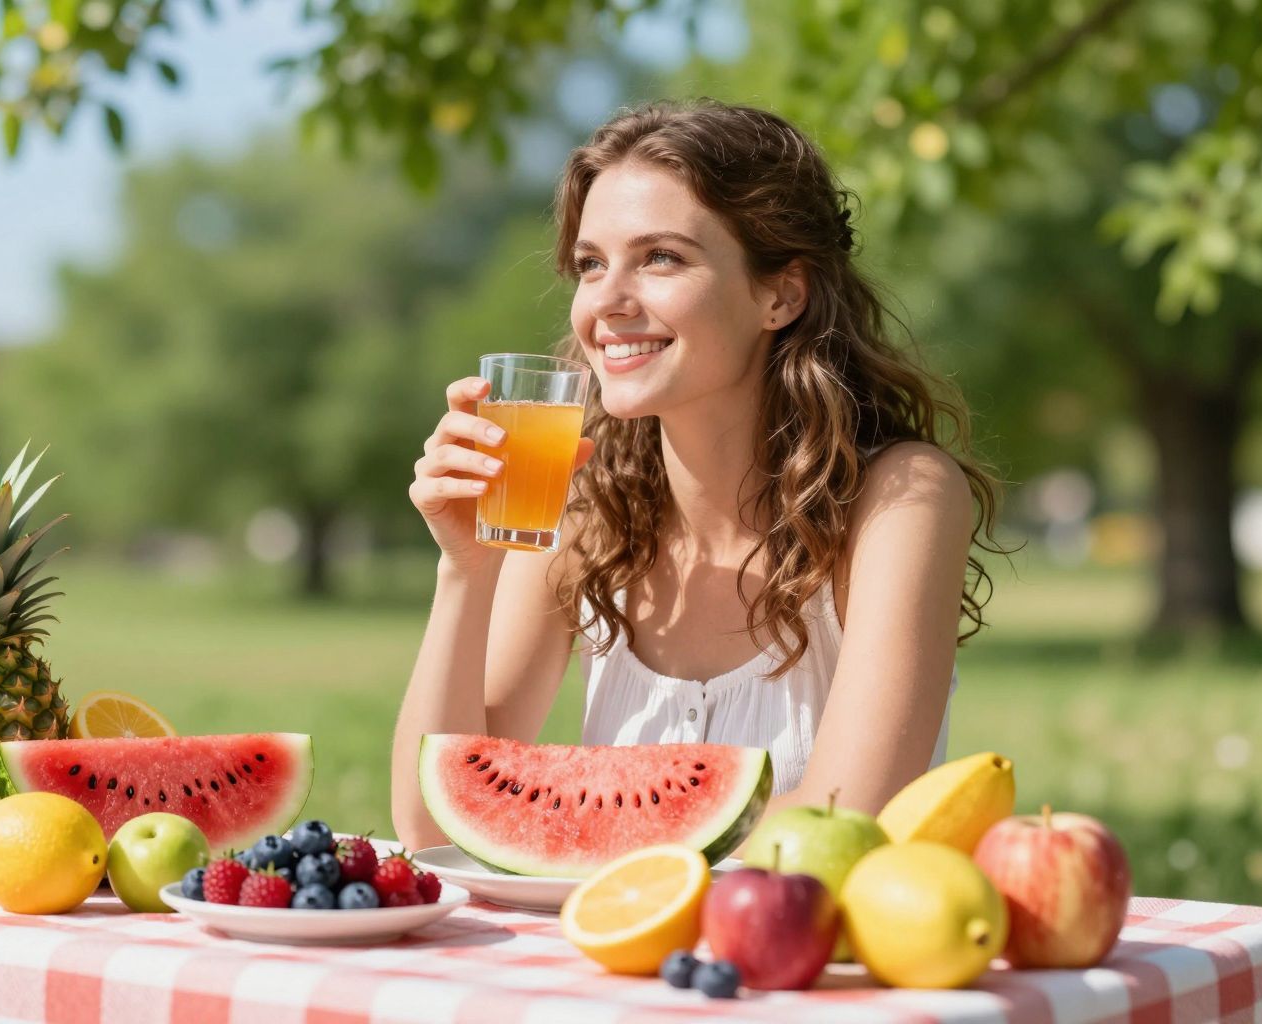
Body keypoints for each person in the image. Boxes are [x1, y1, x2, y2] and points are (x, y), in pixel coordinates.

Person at [393, 99, 1002, 851]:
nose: (606, 304)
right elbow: (432, 821)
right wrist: (466, 570)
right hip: (618, 953)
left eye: (660, 258)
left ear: (780, 294)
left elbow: (844, 822)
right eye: (590, 264)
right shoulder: (579, 506)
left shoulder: (901, 499)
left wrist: (574, 841)